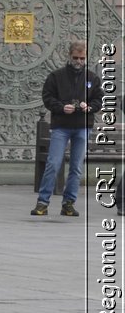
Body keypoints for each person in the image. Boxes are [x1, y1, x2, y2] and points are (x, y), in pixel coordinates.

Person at [32, 40, 102, 217]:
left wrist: (90, 107)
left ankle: (69, 203)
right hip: (61, 125)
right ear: (69, 56)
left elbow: (99, 100)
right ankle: (42, 202)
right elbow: (47, 97)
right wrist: (61, 107)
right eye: (75, 58)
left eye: (82, 58)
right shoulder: (56, 76)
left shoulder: (92, 78)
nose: (79, 61)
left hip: (82, 126)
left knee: (76, 167)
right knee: (53, 164)